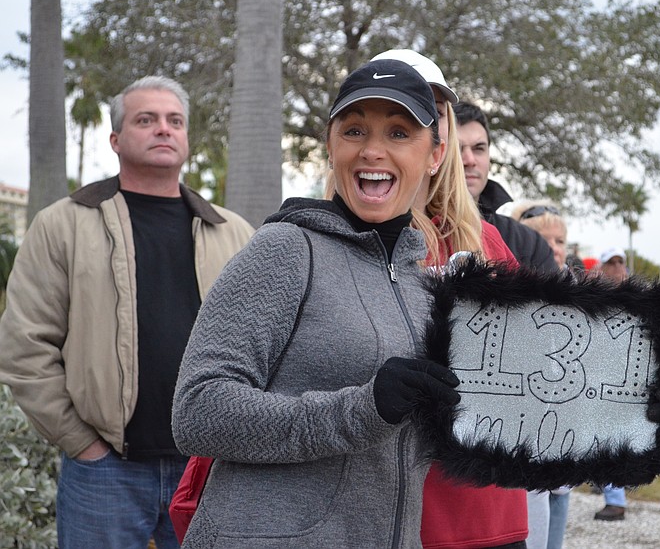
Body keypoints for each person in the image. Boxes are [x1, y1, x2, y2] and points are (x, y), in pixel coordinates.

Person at [172, 60, 462, 548]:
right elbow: (198, 411)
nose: (373, 149)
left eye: (398, 132)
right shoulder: (286, 249)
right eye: (354, 130)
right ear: (330, 148)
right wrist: (364, 408)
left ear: (435, 155)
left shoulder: (422, 287)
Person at [0, 76, 254, 548]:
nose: (163, 129)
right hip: (105, 473)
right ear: (115, 140)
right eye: (146, 120)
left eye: (174, 121)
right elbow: (24, 346)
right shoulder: (63, 224)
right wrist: (84, 446)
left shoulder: (233, 232)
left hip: (208, 472)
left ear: (186, 138)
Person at [370, 49, 530, 549]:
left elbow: (541, 365)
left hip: (486, 511)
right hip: (381, 514)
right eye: (395, 121)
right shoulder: (328, 245)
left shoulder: (485, 242)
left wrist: (638, 403)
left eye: (431, 113)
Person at [515, 200, 572, 547]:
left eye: (561, 240)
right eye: (544, 240)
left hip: (565, 447)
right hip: (524, 446)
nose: (554, 248)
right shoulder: (512, 297)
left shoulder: (584, 297)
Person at [453, 101, 559, 273]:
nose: (469, 160)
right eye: (457, 149)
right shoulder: (416, 234)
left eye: (479, 148)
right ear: (439, 153)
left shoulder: (529, 244)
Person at [587, 246, 631, 521]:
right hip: (598, 376)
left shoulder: (634, 298)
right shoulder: (595, 297)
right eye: (611, 262)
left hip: (618, 379)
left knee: (609, 438)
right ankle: (605, 484)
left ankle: (616, 500)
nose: (616, 267)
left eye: (620, 262)